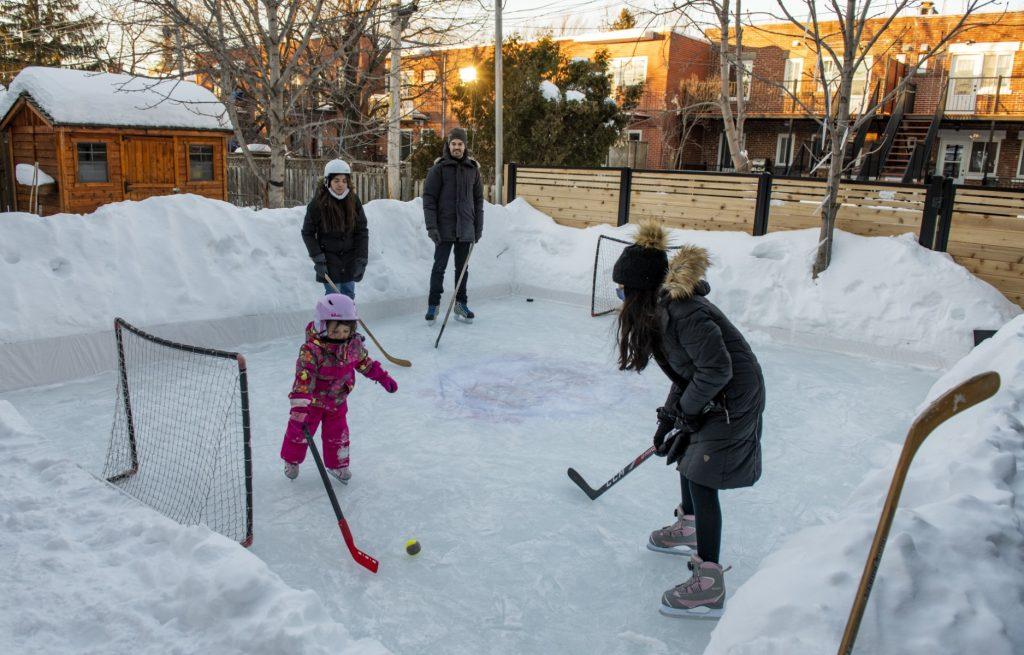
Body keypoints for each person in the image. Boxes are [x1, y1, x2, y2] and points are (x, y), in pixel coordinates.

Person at [611, 221, 766, 619]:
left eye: (623, 290)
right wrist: (670, 418)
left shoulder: (685, 314)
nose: (620, 298)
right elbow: (689, 375)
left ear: (641, 289)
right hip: (714, 393)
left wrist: (687, 412)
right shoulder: (662, 312)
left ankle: (709, 584)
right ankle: (690, 525)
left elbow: (716, 371)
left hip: (733, 399)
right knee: (685, 453)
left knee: (701, 474)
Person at [279, 294, 397, 483]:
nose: (342, 335)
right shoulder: (312, 350)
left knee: (338, 434)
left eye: (346, 330)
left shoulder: (352, 346)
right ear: (322, 325)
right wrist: (300, 405)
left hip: (337, 400)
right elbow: (304, 377)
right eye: (336, 331)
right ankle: (291, 460)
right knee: (299, 431)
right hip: (312, 402)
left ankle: (337, 464)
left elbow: (365, 363)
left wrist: (383, 378)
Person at [422, 127, 484, 323]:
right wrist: (432, 227)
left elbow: (478, 201)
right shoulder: (438, 169)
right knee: (439, 268)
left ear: (465, 146)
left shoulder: (473, 170)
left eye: (460, 144)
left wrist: (478, 227)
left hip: (465, 229)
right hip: (443, 229)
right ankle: (433, 304)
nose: (457, 147)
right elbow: (429, 199)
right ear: (448, 146)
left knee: (462, 269)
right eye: (454, 144)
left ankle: (460, 303)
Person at [302, 159, 369, 299]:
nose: (341, 184)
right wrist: (318, 259)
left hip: (349, 260)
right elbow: (307, 233)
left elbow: (362, 231)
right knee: (333, 297)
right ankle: (332, 321)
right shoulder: (318, 204)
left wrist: (361, 260)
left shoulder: (353, 201)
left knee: (349, 295)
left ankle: (348, 322)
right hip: (328, 261)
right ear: (328, 181)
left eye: (344, 181)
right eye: (336, 180)